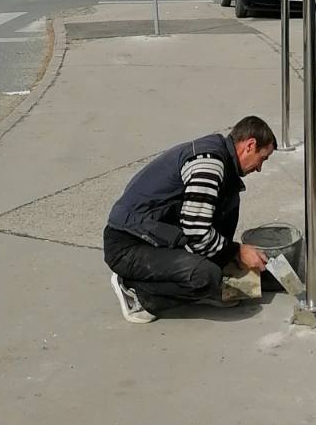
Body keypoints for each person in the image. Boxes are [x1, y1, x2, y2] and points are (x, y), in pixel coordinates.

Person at [103, 115, 278, 324]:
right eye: (263, 158)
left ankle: (209, 276)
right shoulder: (209, 164)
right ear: (250, 145)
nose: (259, 168)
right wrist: (237, 251)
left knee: (230, 197)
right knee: (204, 277)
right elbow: (196, 231)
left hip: (153, 238)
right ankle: (137, 293)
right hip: (128, 246)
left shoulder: (220, 159)